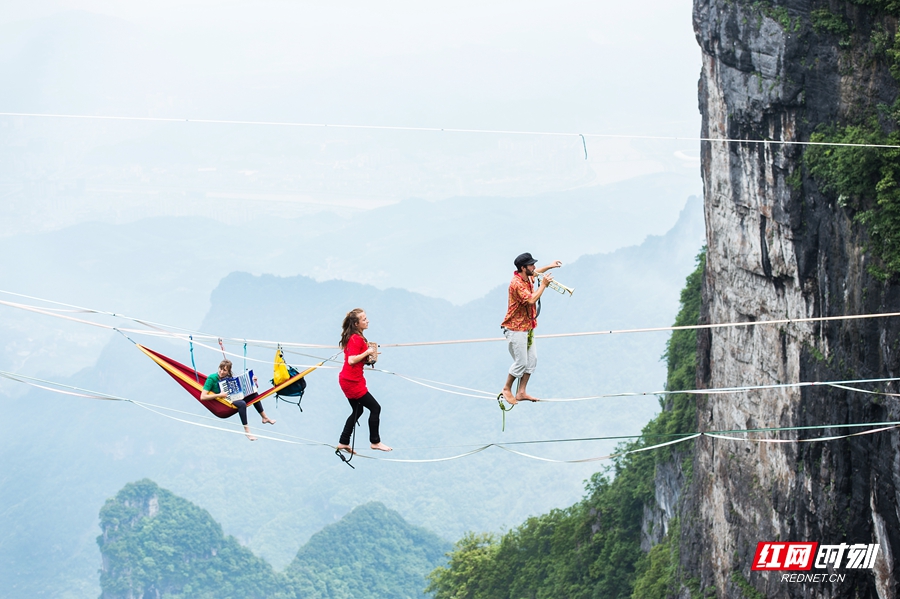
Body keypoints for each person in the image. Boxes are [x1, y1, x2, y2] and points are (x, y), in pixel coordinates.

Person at [500, 252, 562, 404]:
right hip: (516, 328)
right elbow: (531, 299)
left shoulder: (527, 277)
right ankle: (507, 388)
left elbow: (536, 272)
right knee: (521, 362)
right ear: (523, 268)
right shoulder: (517, 283)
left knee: (532, 361)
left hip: (527, 327)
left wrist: (549, 266)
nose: (534, 267)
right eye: (531, 265)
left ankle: (521, 392)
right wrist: (543, 285)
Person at [336, 308, 392, 453]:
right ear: (356, 323)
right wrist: (367, 352)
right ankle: (375, 442)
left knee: (357, 410)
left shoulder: (354, 337)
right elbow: (351, 360)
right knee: (375, 408)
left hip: (348, 379)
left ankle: (343, 441)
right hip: (352, 381)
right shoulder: (356, 338)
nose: (367, 321)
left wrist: (368, 357)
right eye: (364, 319)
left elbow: (356, 358)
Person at [200, 359, 275, 441]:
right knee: (242, 404)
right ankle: (247, 431)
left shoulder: (229, 377)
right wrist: (219, 395)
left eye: (224, 370)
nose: (221, 372)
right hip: (224, 402)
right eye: (220, 369)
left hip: (234, 397)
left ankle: (264, 417)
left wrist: (255, 382)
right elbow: (203, 397)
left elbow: (249, 389)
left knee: (254, 395)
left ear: (228, 371)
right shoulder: (212, 378)